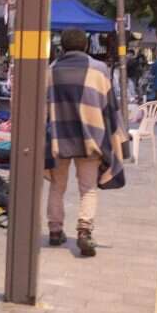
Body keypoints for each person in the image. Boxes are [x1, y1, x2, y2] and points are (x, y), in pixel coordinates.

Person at [46, 28, 129, 257]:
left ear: (62, 47)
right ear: (86, 46)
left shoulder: (50, 71)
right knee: (88, 189)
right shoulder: (99, 70)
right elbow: (110, 107)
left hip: (58, 139)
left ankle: (55, 231)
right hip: (90, 138)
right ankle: (84, 232)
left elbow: (43, 110)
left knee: (57, 187)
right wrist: (119, 137)